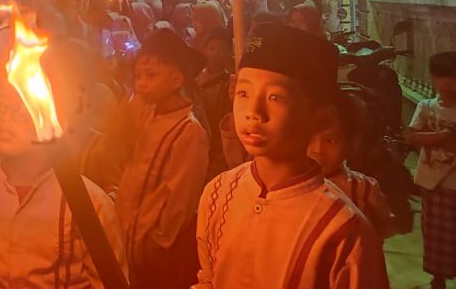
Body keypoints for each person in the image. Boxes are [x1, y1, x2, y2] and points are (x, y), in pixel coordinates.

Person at [195, 24, 388, 288]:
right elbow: (209, 278)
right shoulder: (217, 193)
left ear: (317, 115)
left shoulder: (343, 231)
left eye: (275, 96)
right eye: (244, 92)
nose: (254, 112)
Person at [0, 84, 127, 288]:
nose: (4, 119)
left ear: (52, 121)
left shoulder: (90, 203)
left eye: (21, 111)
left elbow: (109, 282)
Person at [115, 29, 209, 288]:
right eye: (138, 76)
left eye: (151, 76)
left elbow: (180, 200)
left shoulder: (189, 132)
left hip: (155, 254)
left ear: (177, 79)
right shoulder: (146, 114)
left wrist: (157, 241)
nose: (141, 83)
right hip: (126, 239)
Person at [407, 52, 456, 289]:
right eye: (440, 77)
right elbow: (410, 136)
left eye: (452, 77)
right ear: (433, 79)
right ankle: (437, 278)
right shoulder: (425, 105)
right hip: (432, 184)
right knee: (435, 237)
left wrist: (427, 137)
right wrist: (442, 135)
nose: (446, 83)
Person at [307, 93, 393, 239]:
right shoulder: (286, 183)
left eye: (330, 140)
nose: (318, 149)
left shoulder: (364, 189)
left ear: (351, 142)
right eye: (309, 138)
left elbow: (384, 224)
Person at [195, 27, 235, 178]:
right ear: (205, 50)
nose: (216, 54)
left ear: (229, 53)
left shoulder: (229, 84)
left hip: (218, 145)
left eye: (222, 50)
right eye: (212, 48)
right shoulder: (196, 79)